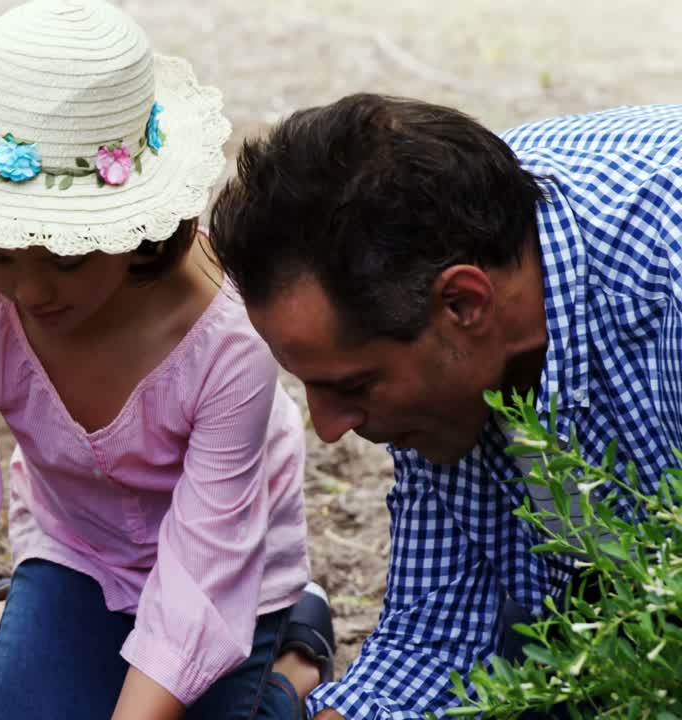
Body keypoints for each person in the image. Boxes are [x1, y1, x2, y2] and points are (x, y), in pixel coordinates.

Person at [0, 2, 335, 719]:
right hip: (79, 548)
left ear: (136, 227)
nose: (29, 291)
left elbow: (201, 577)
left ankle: (293, 661)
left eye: (65, 255)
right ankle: (24, 624)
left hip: (229, 569)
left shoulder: (227, 344)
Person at [207, 94, 682, 718]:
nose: (327, 429)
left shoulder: (663, 285)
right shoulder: (435, 253)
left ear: (464, 304)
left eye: (352, 387)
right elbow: (435, 636)